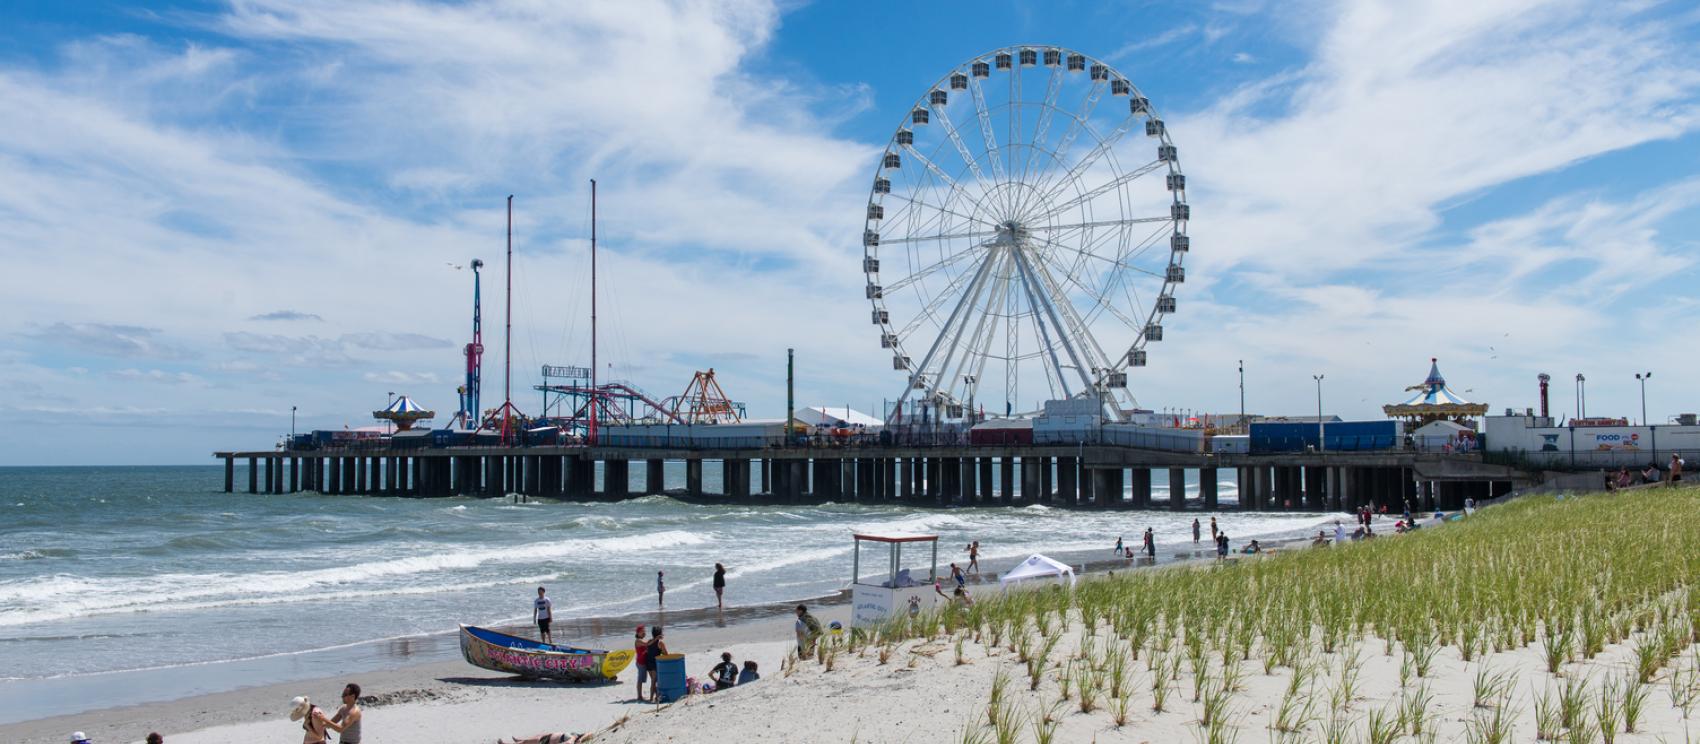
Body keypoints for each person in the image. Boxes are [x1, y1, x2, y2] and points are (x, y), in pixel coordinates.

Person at [643, 627, 668, 702]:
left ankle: (656, 696)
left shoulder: (650, 641)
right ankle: (651, 698)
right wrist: (661, 652)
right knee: (654, 681)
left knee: (653, 680)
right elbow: (666, 654)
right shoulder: (660, 643)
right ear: (660, 634)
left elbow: (648, 649)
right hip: (654, 663)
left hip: (648, 662)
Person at [633, 626, 650, 702]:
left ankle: (640, 696)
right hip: (640, 662)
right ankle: (639, 696)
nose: (644, 633)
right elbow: (647, 644)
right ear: (638, 633)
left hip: (643, 662)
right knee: (640, 680)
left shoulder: (641, 640)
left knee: (641, 679)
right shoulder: (638, 641)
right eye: (642, 631)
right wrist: (654, 639)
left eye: (644, 631)